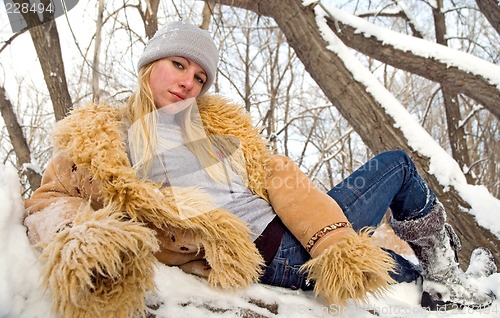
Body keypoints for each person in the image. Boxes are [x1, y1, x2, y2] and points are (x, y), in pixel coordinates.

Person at [24, 21, 496, 317]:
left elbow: (274, 180)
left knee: (397, 186)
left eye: (200, 77)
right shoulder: (105, 136)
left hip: (294, 226)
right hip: (271, 251)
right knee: (397, 187)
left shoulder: (213, 132)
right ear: (150, 65)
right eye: (178, 64)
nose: (189, 82)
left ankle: (439, 275)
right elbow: (49, 199)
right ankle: (442, 277)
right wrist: (88, 240)